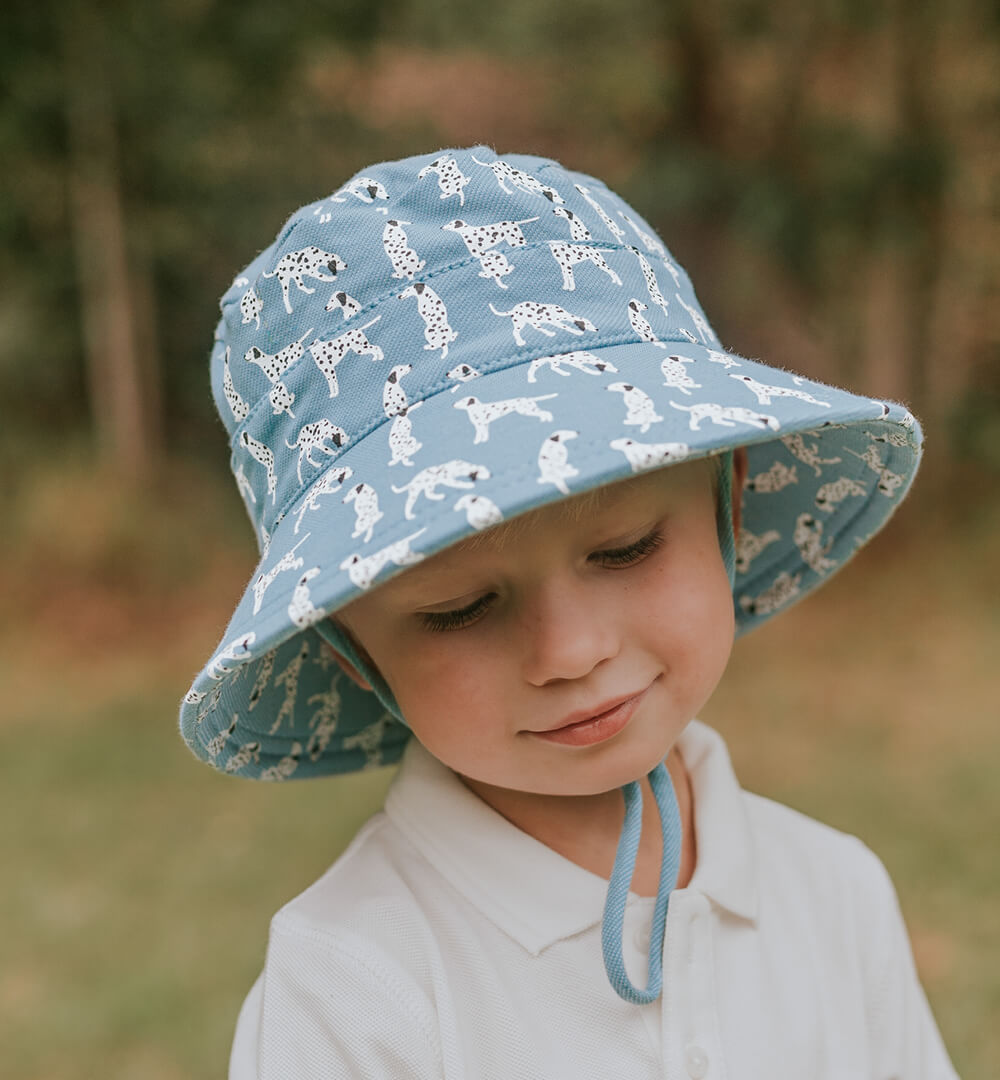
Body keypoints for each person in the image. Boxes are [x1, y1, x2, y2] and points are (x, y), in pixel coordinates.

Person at [180, 145, 960, 1078]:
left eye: (626, 548)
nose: (570, 650)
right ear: (352, 652)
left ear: (727, 499)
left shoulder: (832, 895)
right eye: (461, 608)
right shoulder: (354, 986)